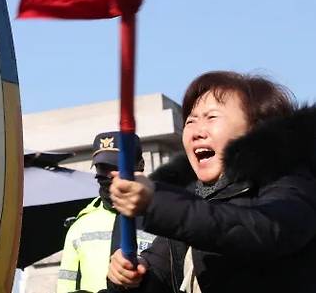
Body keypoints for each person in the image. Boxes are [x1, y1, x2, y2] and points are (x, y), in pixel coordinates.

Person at [106, 71, 316, 293]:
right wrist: (131, 275)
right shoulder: (195, 197)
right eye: (190, 121)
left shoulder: (292, 181)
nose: (196, 132)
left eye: (211, 117)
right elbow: (161, 272)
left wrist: (158, 202)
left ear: (256, 129)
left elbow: (268, 229)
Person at [57, 131, 153, 293]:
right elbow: (65, 287)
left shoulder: (161, 219)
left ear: (140, 165)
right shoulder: (80, 226)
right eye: (103, 168)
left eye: (116, 166)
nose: (109, 175)